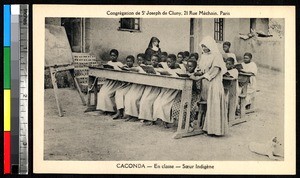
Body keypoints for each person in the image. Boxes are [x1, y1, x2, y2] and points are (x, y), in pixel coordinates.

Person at [191, 36, 228, 136]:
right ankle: (206, 127)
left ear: (210, 45)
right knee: (207, 104)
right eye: (202, 46)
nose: (203, 48)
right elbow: (200, 67)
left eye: (205, 46)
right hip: (206, 83)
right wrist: (197, 72)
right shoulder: (204, 55)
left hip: (214, 83)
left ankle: (215, 130)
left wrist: (200, 77)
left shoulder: (217, 56)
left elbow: (214, 71)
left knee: (214, 105)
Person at [153, 54, 182, 128]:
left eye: (170, 62)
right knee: (157, 102)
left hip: (174, 91)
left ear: (175, 61)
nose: (169, 64)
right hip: (166, 90)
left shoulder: (179, 70)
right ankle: (160, 119)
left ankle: (165, 120)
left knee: (165, 104)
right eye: (167, 62)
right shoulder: (167, 70)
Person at [171, 59, 201, 129]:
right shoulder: (186, 73)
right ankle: (179, 123)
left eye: (191, 67)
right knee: (175, 105)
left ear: (194, 67)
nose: (189, 68)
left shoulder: (197, 76)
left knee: (188, 108)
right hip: (184, 93)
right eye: (187, 66)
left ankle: (189, 123)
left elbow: (198, 89)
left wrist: (193, 80)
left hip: (193, 95)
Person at [96, 49, 124, 113]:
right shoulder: (109, 63)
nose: (112, 57)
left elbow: (122, 73)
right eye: (111, 55)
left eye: (114, 56)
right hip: (109, 81)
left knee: (106, 94)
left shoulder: (119, 64)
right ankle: (104, 109)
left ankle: (110, 110)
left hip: (116, 82)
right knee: (101, 92)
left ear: (117, 56)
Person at [138, 54, 163, 125]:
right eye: (152, 60)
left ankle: (151, 119)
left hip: (156, 89)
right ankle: (144, 117)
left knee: (149, 101)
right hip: (149, 87)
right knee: (143, 100)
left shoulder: (160, 69)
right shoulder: (148, 68)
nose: (154, 62)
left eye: (155, 61)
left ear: (158, 62)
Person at [112, 55, 135, 119]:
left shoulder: (135, 68)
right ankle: (119, 111)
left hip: (132, 85)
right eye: (127, 61)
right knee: (118, 92)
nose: (128, 63)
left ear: (133, 62)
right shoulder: (124, 67)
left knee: (125, 94)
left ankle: (126, 113)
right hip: (126, 85)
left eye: (130, 61)